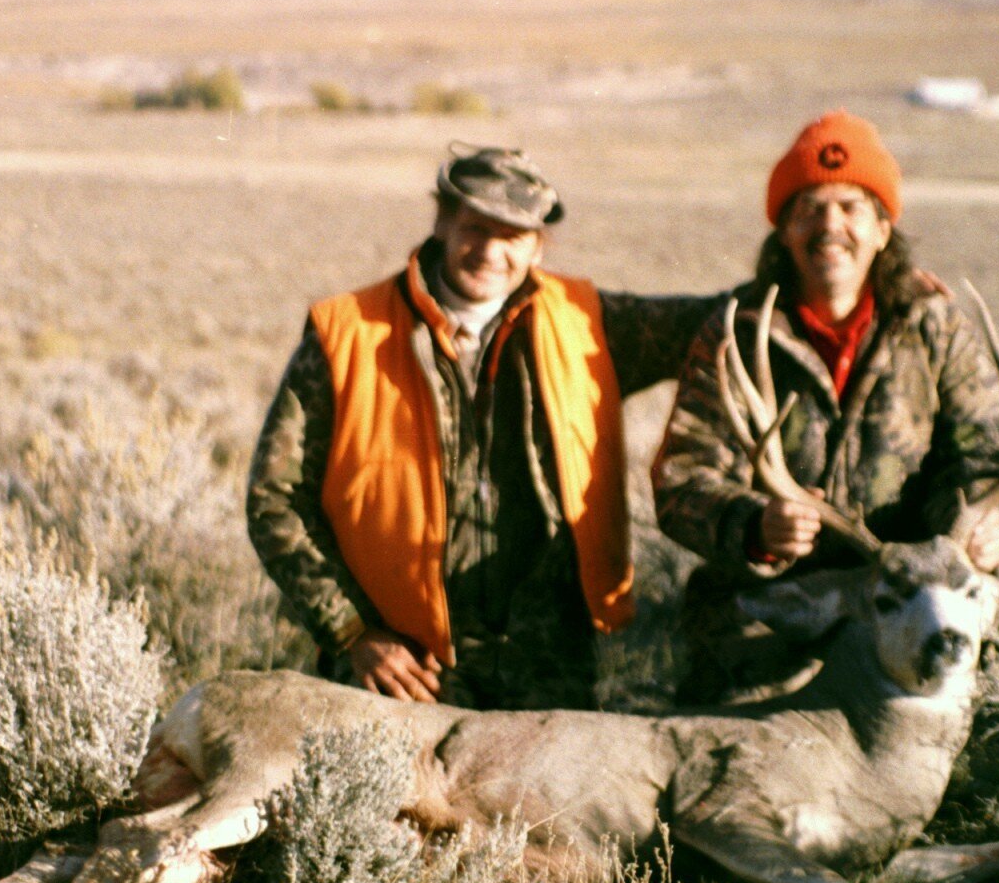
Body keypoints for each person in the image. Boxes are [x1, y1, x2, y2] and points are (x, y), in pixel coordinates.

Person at [248, 143, 722, 711]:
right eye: (475, 227)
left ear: (539, 244)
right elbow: (275, 498)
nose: (491, 251)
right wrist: (350, 631)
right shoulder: (345, 334)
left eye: (514, 235)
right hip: (403, 668)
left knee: (551, 805)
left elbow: (723, 320)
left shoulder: (588, 321)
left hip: (548, 664)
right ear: (444, 221)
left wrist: (814, 257)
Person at [652, 110, 999, 705]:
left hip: (924, 574)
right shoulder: (738, 337)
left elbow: (997, 453)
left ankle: (995, 737)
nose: (831, 226)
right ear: (785, 234)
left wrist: (988, 525)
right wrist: (754, 524)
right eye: (808, 209)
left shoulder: (934, 327)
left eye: (851, 207)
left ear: (882, 229)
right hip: (805, 581)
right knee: (726, 638)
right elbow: (681, 480)